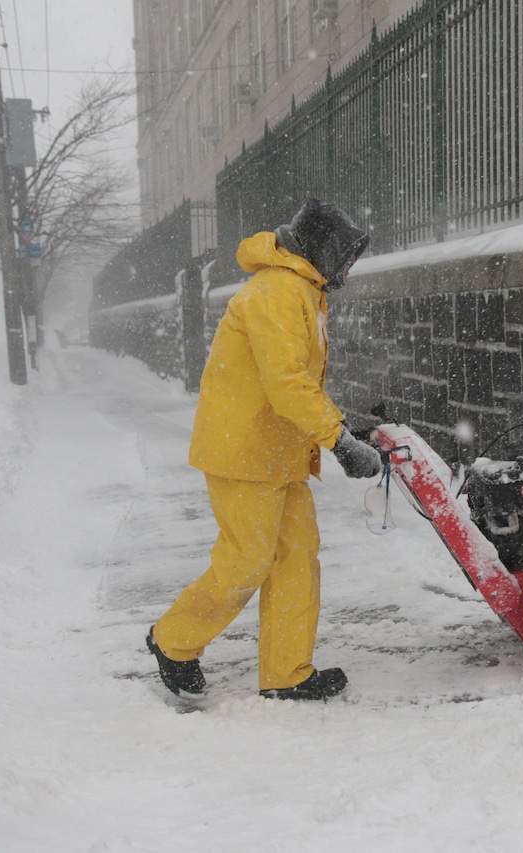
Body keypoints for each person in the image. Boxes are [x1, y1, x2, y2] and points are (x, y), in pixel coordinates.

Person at [146, 200, 382, 701]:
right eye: (344, 257)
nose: (346, 269)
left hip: (277, 454)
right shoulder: (277, 291)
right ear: (321, 249)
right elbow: (287, 384)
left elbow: (297, 380)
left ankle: (286, 674)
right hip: (244, 452)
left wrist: (341, 426)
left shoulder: (301, 289)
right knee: (247, 561)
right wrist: (339, 440)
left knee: (296, 558)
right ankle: (173, 641)